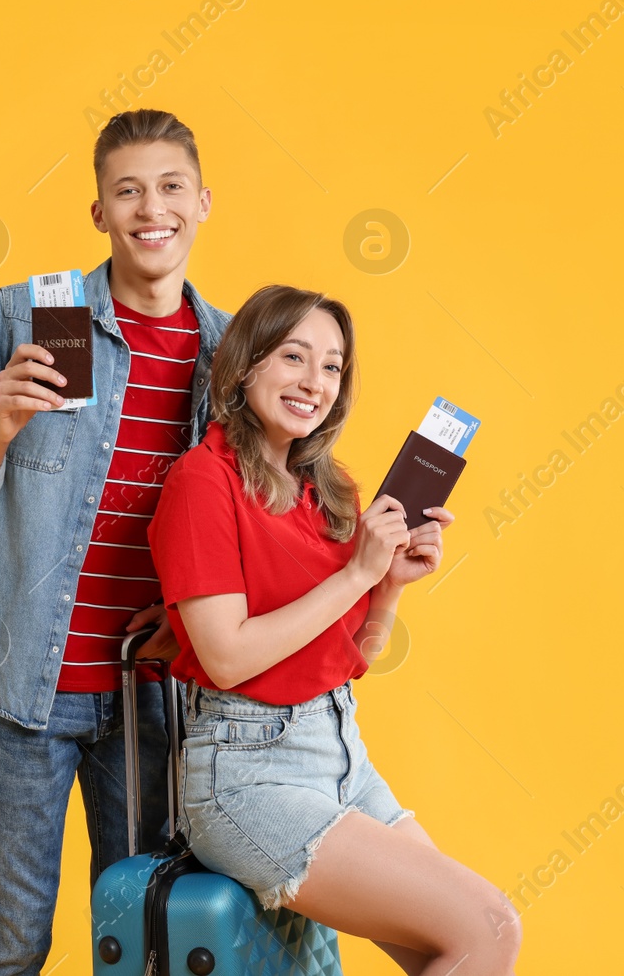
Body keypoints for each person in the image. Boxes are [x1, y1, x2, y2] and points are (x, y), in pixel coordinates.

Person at [0, 110, 234, 976]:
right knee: (14, 948)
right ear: (99, 211)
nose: (150, 208)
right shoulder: (32, 311)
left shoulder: (232, 348)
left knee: (138, 944)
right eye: (126, 190)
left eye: (170, 187)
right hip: (26, 683)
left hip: (154, 696)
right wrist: (3, 421)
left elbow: (249, 512)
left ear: (203, 202)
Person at [146, 285, 522, 975]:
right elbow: (226, 656)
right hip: (247, 775)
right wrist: (355, 576)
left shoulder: (329, 490)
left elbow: (353, 658)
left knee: (478, 937)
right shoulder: (203, 483)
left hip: (339, 751)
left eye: (332, 366)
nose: (314, 381)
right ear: (246, 365)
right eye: (294, 356)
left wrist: (390, 585)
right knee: (489, 928)